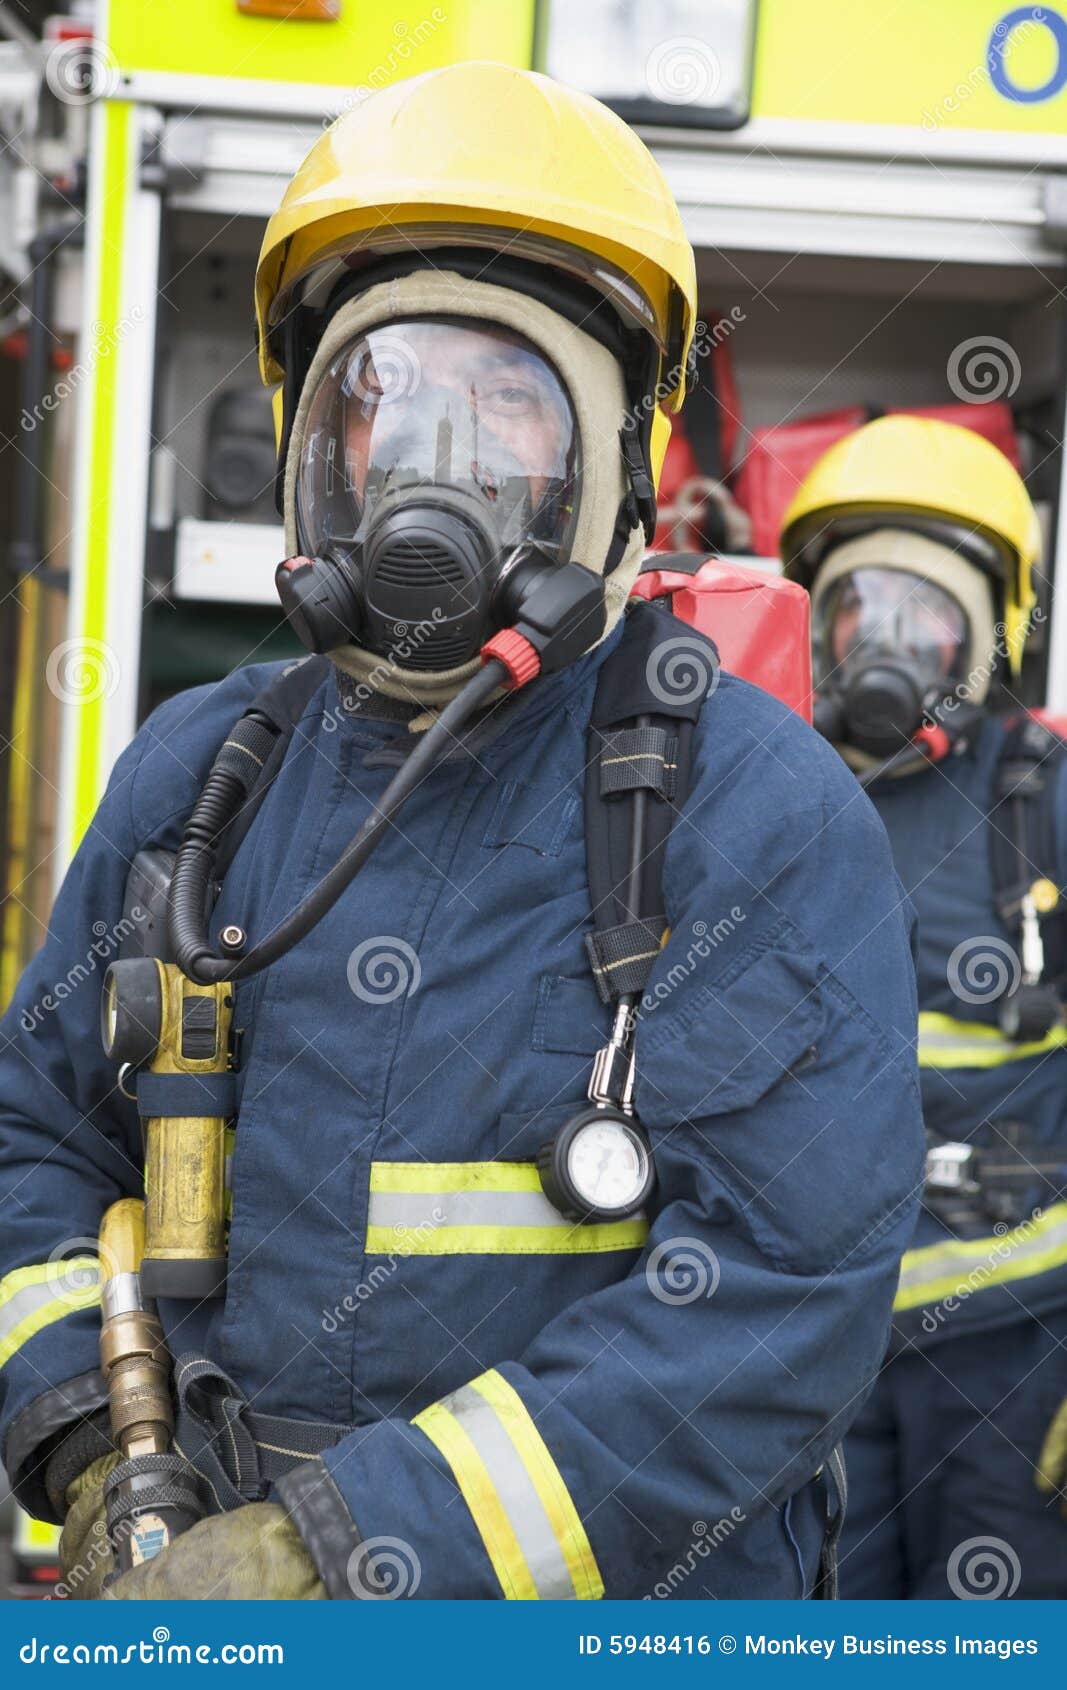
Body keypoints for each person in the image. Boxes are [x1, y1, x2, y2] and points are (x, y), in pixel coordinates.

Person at [0, 62, 921, 1602]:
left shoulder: (755, 815)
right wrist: (93, 1437)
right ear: (319, 446)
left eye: (509, 400)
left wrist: (342, 1549)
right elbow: (32, 1136)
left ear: (615, 465)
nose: (447, 455)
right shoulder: (197, 776)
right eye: (390, 395)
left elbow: (779, 1297)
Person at [781, 414, 1067, 1599]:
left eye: (922, 613)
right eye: (860, 609)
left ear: (987, 631)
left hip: (1013, 1359)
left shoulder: (1038, 800)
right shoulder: (765, 797)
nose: (884, 646)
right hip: (807, 1355)